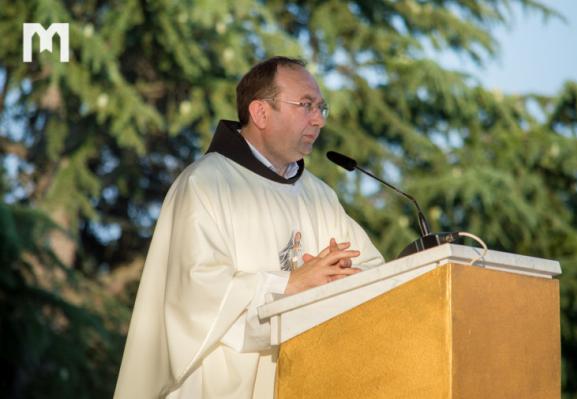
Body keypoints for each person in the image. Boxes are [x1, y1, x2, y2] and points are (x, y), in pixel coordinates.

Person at [114, 56, 384, 399]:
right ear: (260, 113)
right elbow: (196, 296)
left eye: (321, 107)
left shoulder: (320, 196)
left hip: (305, 380)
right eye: (306, 105)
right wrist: (292, 283)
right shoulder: (205, 185)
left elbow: (374, 273)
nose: (318, 119)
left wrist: (340, 278)